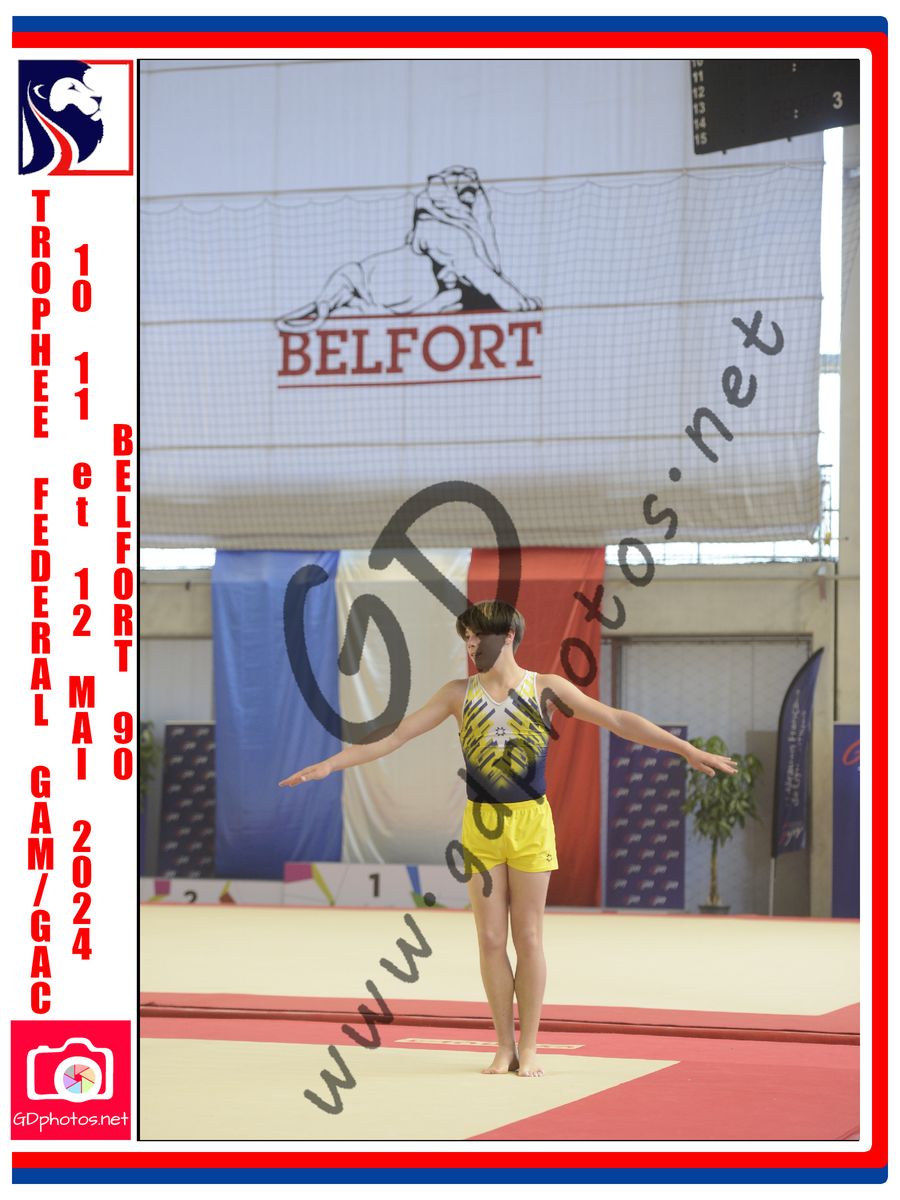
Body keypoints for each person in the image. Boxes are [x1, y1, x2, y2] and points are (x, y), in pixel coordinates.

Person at [279, 599, 737, 1078]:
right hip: (481, 826)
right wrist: (331, 764)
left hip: (530, 822)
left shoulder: (546, 688)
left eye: (478, 636)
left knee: (529, 935)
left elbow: (616, 719)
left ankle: (531, 1045)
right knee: (491, 938)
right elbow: (396, 736)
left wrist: (684, 749)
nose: (471, 644)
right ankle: (503, 1046)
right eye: (467, 638)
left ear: (509, 636)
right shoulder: (458, 694)